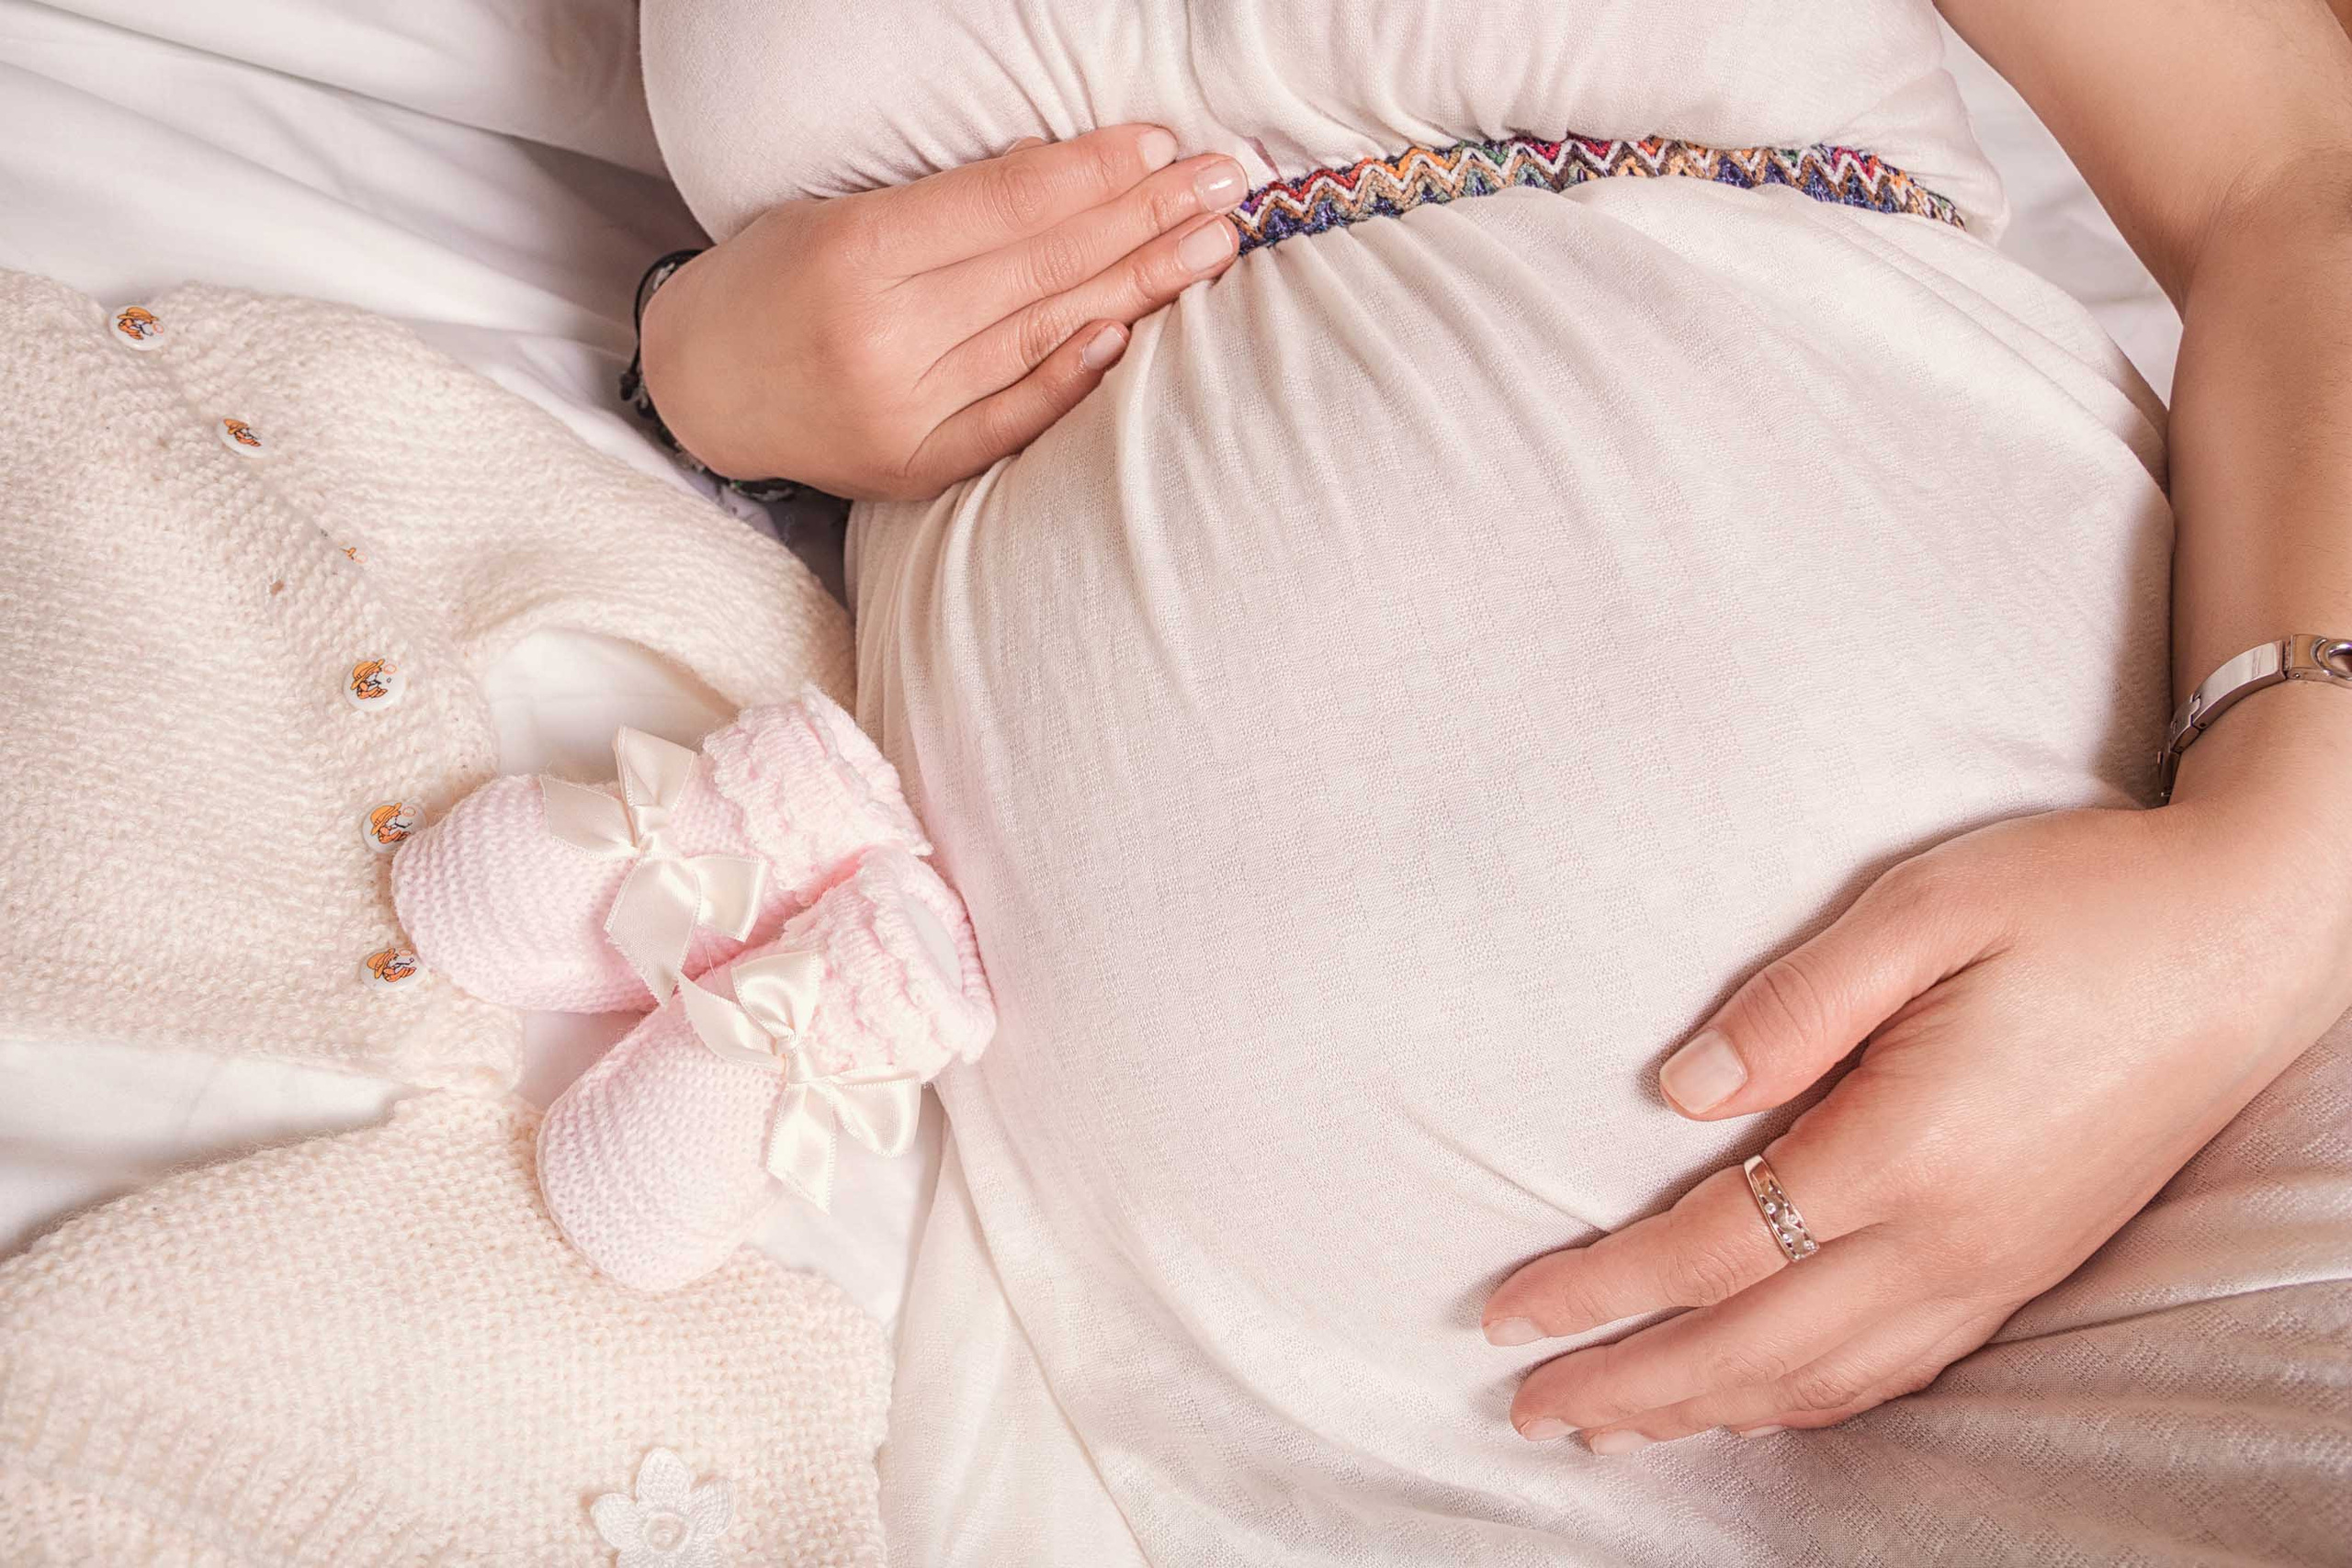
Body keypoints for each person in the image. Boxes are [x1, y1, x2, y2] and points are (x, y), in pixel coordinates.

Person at [634, 0, 2352, 1560]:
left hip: (2196, 1042)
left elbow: (2290, 165)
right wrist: (700, 365)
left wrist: (2278, 873)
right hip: (1367, 1430)